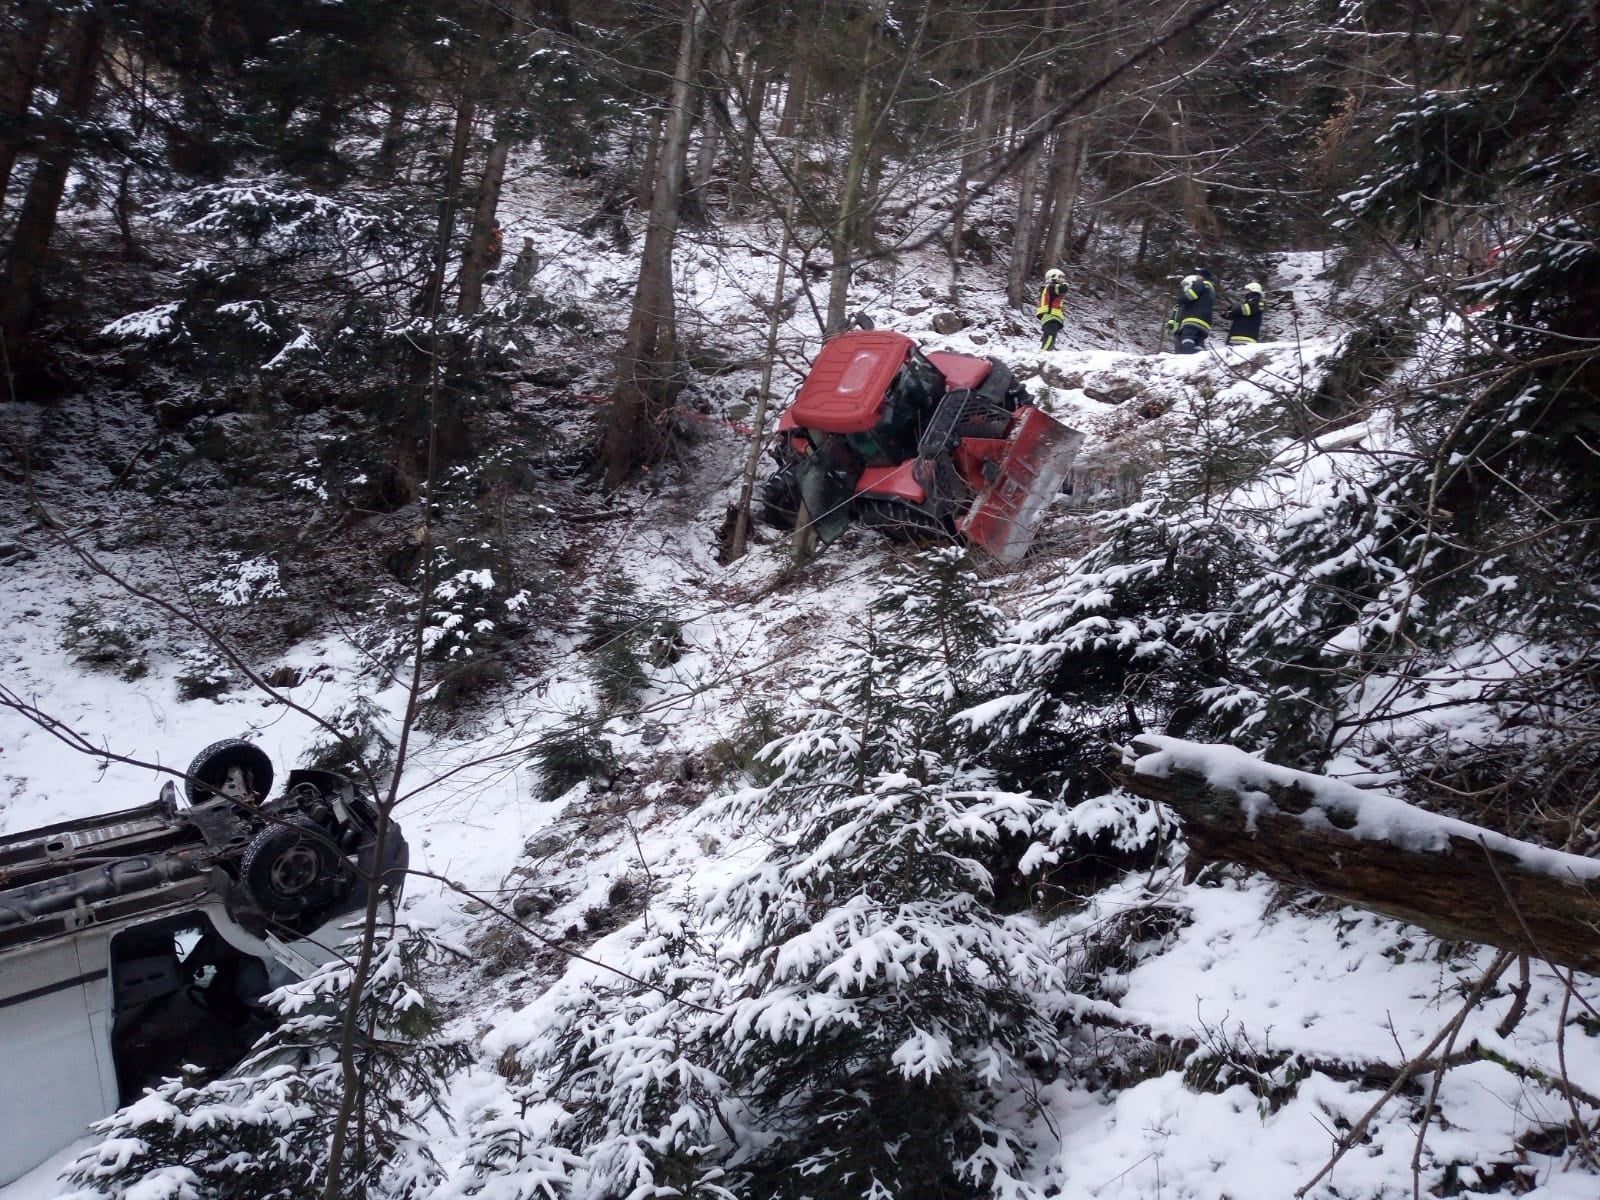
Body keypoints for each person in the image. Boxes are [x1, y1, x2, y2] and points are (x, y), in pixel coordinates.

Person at [1166, 266, 1215, 353]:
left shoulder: (1201, 284)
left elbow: (1192, 295)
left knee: (1188, 338)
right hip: (1206, 324)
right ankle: (1198, 358)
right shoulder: (1210, 292)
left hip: (1193, 320)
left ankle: (1188, 356)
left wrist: (1181, 300)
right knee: (1198, 343)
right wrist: (1171, 324)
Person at [1036, 267, 1067, 350]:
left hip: (1051, 316)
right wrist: (1065, 285)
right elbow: (1063, 289)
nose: (1062, 279)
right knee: (1050, 335)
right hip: (1051, 316)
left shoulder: (1049, 288)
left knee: (1050, 335)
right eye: (1060, 277)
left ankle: (1047, 350)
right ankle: (1045, 352)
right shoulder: (1052, 287)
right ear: (1054, 277)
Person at [1226, 280, 1265, 345]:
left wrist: (1234, 310)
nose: (1245, 293)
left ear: (1253, 291)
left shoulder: (1257, 303)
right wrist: (1229, 313)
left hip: (1245, 338)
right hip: (1238, 337)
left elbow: (1245, 310)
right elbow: (1237, 314)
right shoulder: (1249, 303)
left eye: (1247, 290)